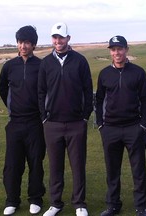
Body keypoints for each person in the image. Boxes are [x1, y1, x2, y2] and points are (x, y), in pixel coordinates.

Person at [38, 22, 93, 216]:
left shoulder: (79, 60)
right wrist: (44, 117)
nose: (58, 41)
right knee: (55, 166)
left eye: (61, 37)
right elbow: (41, 91)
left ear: (68, 38)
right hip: (52, 124)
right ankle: (56, 203)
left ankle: (79, 203)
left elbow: (88, 90)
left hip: (76, 122)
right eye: (55, 37)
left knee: (78, 165)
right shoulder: (46, 63)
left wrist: (85, 116)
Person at [95, 35, 146, 216]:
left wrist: (143, 125)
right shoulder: (104, 74)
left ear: (126, 49)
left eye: (120, 48)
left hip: (133, 127)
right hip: (110, 129)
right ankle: (113, 204)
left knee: (138, 170)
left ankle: (141, 206)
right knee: (112, 170)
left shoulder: (138, 72)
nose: (117, 52)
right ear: (110, 52)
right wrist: (100, 125)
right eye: (113, 49)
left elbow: (145, 100)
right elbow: (99, 100)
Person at [0, 25, 46, 216]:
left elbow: (47, 91)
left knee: (35, 162)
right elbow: (3, 88)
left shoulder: (41, 65)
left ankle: (35, 198)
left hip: (36, 122)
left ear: (33, 44)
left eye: (27, 42)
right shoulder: (9, 66)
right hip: (15, 122)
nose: (23, 46)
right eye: (20, 42)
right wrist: (12, 106)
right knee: (12, 164)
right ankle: (12, 200)